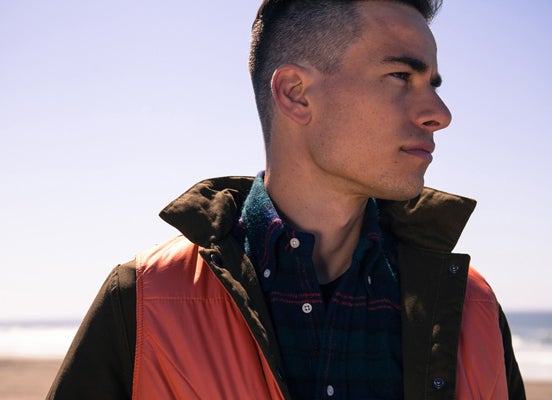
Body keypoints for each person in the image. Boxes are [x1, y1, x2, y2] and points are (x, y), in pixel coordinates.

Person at [47, 1, 525, 399]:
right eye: (401, 76)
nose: (440, 114)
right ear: (296, 94)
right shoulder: (144, 299)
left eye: (433, 85)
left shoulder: (470, 306)